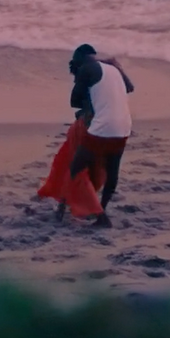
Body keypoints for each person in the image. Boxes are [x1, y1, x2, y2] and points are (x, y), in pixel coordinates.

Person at [56, 44, 134, 227]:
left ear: (79, 59)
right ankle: (103, 209)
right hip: (124, 126)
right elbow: (129, 87)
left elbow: (74, 101)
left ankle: (61, 210)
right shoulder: (113, 68)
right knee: (112, 169)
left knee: (75, 167)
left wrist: (88, 104)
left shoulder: (86, 69)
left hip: (102, 127)